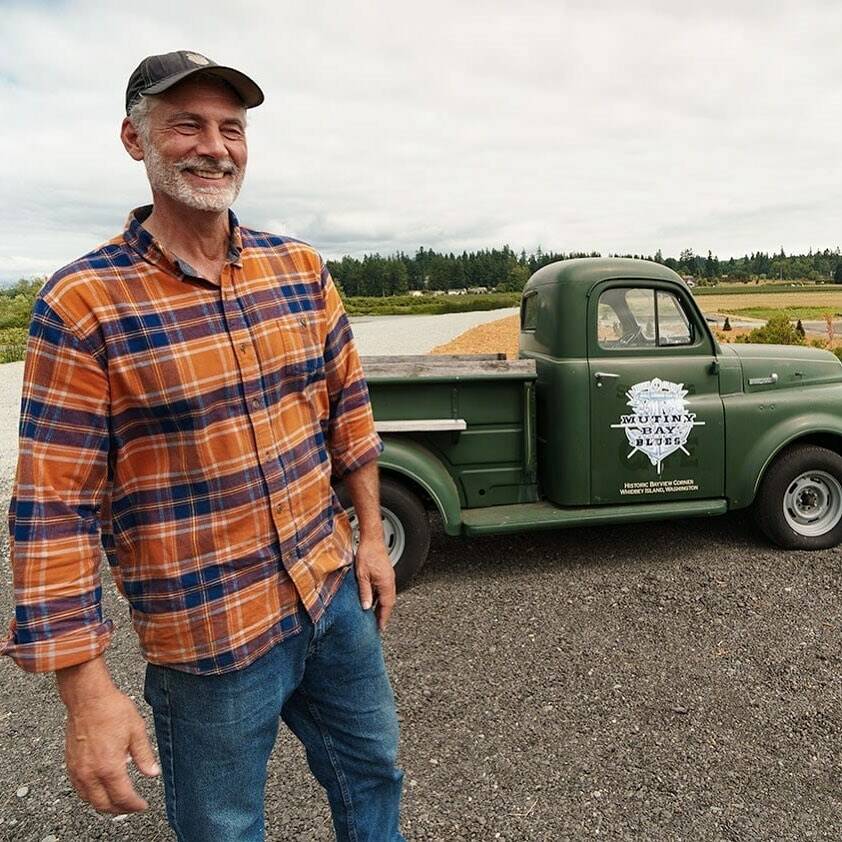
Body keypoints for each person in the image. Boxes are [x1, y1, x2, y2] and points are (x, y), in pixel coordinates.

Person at [2, 50, 405, 842]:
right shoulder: (85, 304)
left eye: (231, 127)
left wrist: (371, 541)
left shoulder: (299, 271)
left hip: (330, 595)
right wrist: (86, 691)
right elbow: (52, 506)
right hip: (207, 636)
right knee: (223, 827)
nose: (214, 145)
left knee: (374, 773)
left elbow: (348, 415)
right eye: (187, 124)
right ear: (134, 139)